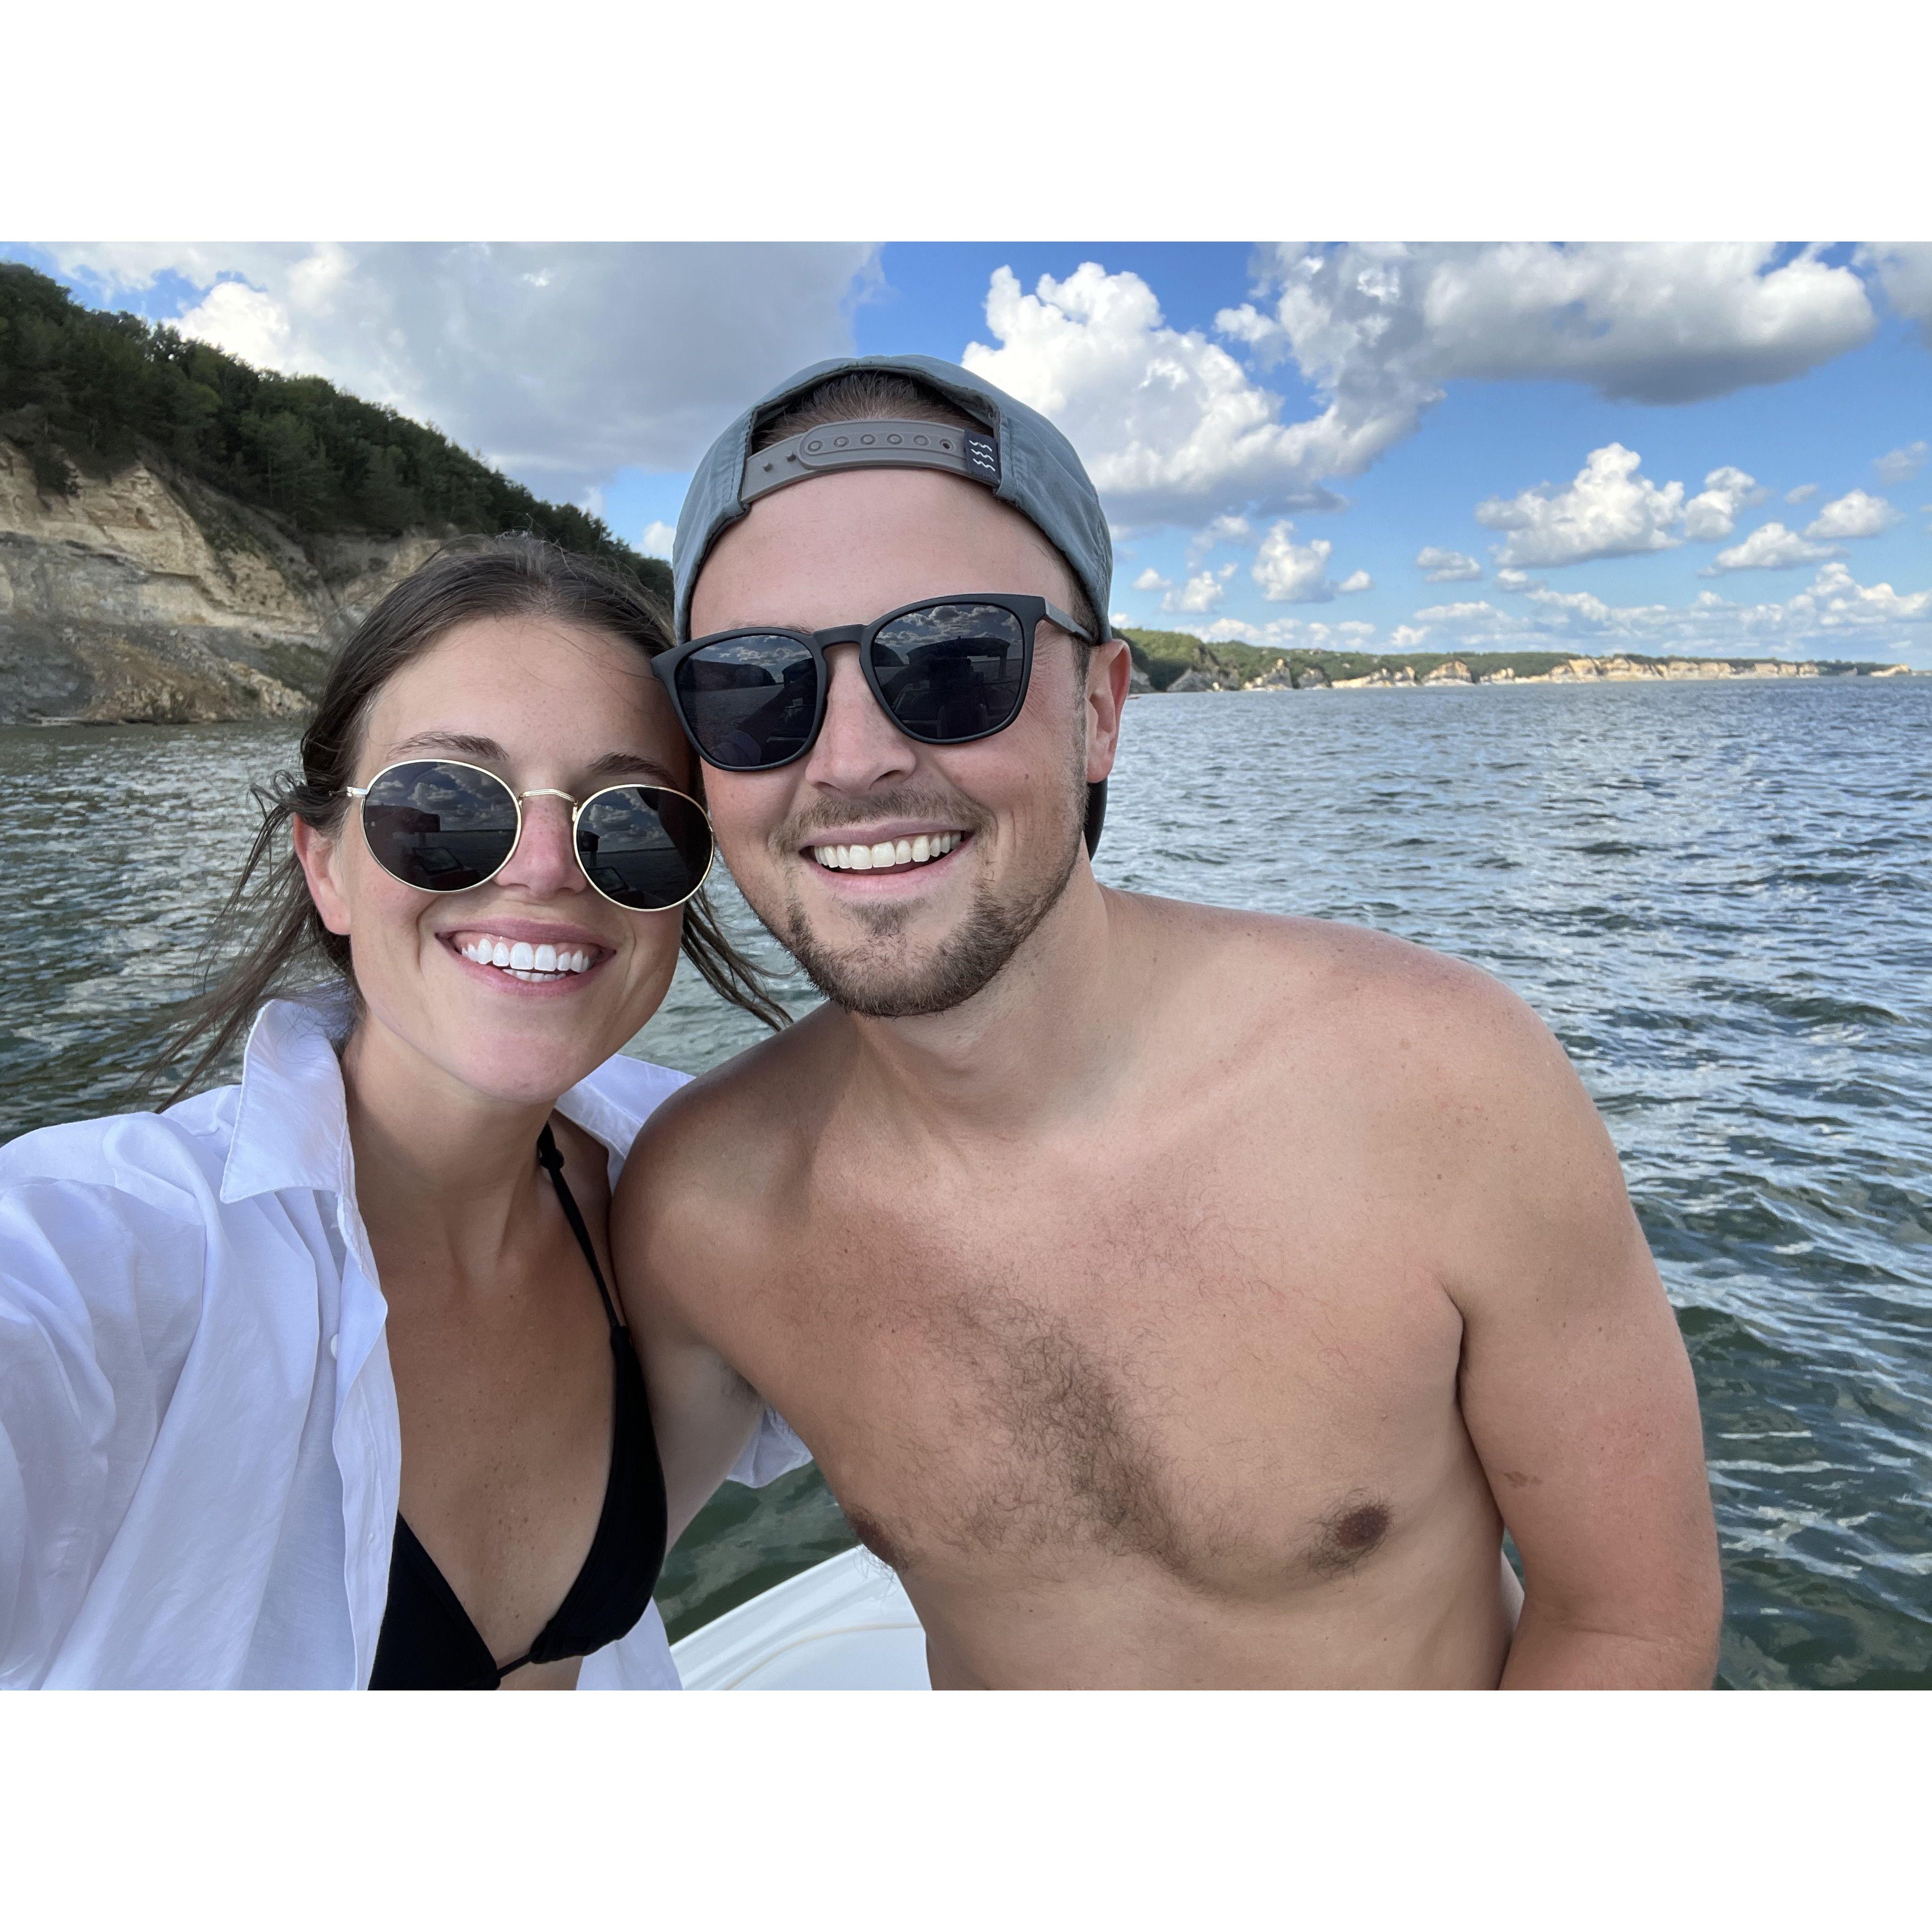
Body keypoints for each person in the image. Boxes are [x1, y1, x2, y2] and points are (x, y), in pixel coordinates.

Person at [613, 355, 1725, 1690]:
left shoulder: (1442, 1089)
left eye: (952, 662)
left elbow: (1626, 1621)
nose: (851, 762)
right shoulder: (708, 1209)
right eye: (754, 689)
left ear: (1099, 711)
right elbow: (526, 1581)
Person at [0, 537, 804, 1689]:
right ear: (325, 865)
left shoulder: (692, 1197)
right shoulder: (120, 1247)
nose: (544, 868)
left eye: (630, 819)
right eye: (447, 804)